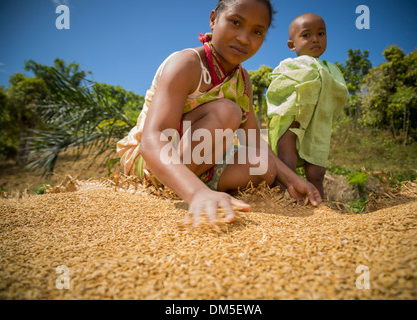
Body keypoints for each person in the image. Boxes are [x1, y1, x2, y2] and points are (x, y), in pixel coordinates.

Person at [117, 0, 322, 227]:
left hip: (200, 158)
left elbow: (253, 142)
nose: (244, 38)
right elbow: (152, 138)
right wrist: (195, 193)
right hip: (154, 161)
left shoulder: (242, 80)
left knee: (264, 165)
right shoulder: (187, 64)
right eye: (235, 22)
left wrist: (293, 181)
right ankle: (190, 188)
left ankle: (202, 187)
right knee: (227, 112)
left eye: (256, 31)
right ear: (213, 19)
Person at [266, 13, 349, 199]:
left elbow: (338, 94)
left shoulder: (330, 70)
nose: (315, 39)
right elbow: (278, 89)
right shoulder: (288, 66)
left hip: (317, 125)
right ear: (291, 45)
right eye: (306, 35)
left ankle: (318, 208)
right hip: (291, 122)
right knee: (286, 163)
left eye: (320, 34)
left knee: (317, 172)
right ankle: (276, 203)